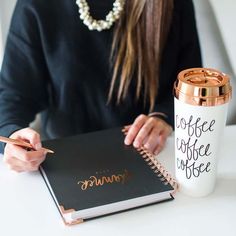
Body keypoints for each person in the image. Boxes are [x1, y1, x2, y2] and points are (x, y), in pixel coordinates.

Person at [0, 0, 202, 172]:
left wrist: (163, 116)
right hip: (68, 164)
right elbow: (13, 95)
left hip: (156, 156)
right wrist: (11, 135)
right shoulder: (36, 5)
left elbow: (191, 84)